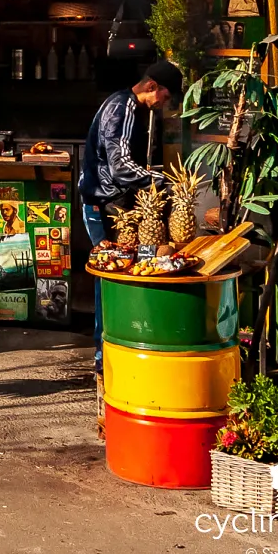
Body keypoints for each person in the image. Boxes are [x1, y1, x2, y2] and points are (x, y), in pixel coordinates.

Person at [79, 58, 183, 368]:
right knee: (109, 278)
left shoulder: (129, 107)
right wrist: (162, 180)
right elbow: (121, 168)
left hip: (113, 205)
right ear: (152, 86)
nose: (164, 103)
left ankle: (117, 349)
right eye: (165, 96)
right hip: (105, 207)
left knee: (119, 277)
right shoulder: (122, 108)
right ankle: (104, 357)